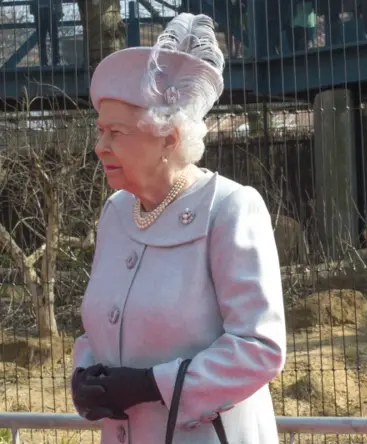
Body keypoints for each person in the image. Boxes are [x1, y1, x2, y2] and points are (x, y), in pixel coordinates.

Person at [70, 12, 287, 444]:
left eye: (115, 132)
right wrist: (85, 372)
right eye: (100, 131)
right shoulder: (115, 213)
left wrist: (154, 385)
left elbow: (260, 348)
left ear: (168, 137)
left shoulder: (229, 208)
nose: (100, 147)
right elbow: (105, 322)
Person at [30, 0, 62, 66]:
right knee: (44, 38)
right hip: (43, 10)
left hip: (49, 10)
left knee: (51, 38)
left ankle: (49, 61)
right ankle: (49, 61)